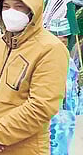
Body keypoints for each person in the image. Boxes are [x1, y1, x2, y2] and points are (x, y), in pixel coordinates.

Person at [0, 0, 69, 155]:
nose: (10, 13)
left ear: (33, 10)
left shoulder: (50, 49)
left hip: (23, 148)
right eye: (6, 7)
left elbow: (40, 107)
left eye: (19, 7)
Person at [47, 18, 79, 155]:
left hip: (64, 118)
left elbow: (73, 92)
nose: (62, 43)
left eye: (64, 40)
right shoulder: (43, 61)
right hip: (46, 116)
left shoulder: (70, 63)